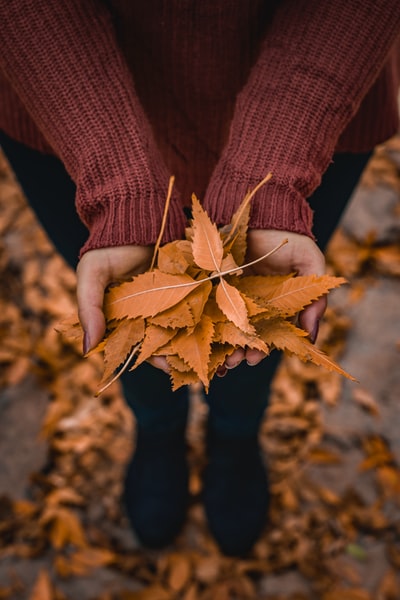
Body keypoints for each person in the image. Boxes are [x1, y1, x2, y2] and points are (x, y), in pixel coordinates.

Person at [0, 1, 399, 557]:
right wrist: (118, 184)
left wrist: (270, 171)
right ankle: (157, 426)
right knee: (128, 316)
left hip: (310, 107)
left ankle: (235, 433)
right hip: (67, 108)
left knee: (257, 317)